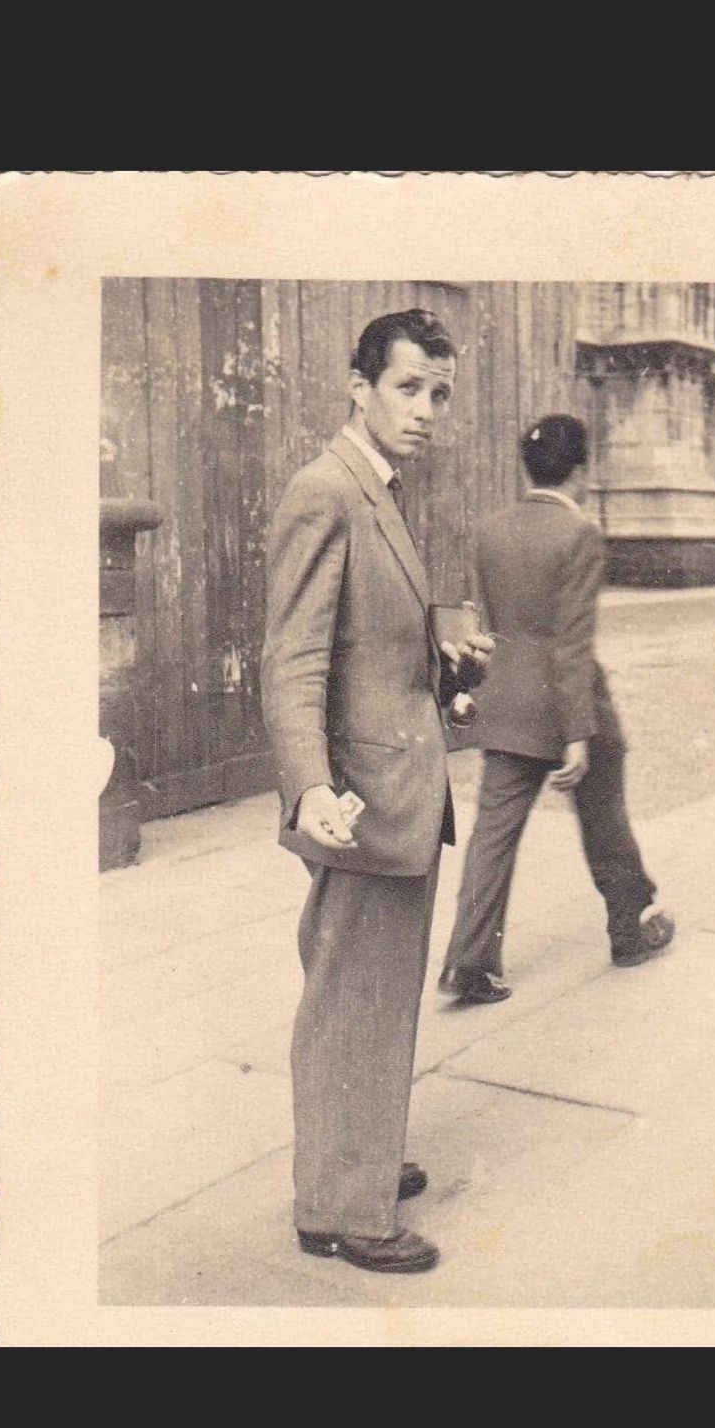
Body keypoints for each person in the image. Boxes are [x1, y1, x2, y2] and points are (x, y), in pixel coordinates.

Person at [261, 309, 493, 1275]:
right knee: (353, 998)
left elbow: (370, 633)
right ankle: (344, 1211)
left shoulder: (383, 490)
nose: (427, 410)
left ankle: (348, 1161)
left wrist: (440, 651)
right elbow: (293, 658)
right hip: (361, 799)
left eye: (439, 393)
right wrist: (310, 784)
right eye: (407, 388)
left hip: (394, 786)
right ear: (357, 388)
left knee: (369, 991)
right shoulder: (328, 491)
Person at [438, 414, 674, 1006]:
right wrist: (577, 734)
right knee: (604, 815)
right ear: (581, 471)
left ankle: (470, 962)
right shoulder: (580, 535)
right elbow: (571, 642)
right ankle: (629, 928)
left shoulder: (491, 530)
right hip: (572, 707)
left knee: (492, 836)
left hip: (509, 703)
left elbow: (492, 626)